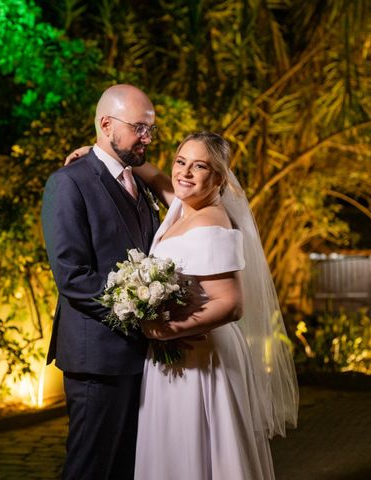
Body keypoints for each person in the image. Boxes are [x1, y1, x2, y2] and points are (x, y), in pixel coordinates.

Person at [66, 131, 299, 479]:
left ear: (218, 177)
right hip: (172, 357)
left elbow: (232, 304)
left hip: (198, 359)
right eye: (181, 161)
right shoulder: (184, 206)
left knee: (195, 453)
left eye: (199, 166)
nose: (185, 172)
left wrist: (163, 330)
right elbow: (160, 177)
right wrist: (99, 153)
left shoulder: (213, 222)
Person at [41, 84, 161, 480]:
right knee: (90, 468)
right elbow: (71, 274)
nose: (147, 138)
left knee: (126, 467)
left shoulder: (140, 184)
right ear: (107, 124)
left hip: (139, 357)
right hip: (97, 359)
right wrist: (137, 313)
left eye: (151, 129)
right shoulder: (69, 182)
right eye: (139, 129)